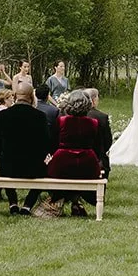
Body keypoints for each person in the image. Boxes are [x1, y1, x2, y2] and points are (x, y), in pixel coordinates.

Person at [0, 81, 52, 214]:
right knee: (45, 171)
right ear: (31, 97)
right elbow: (46, 143)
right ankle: (28, 204)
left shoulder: (3, 115)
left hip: (8, 166)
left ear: (15, 96)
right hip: (33, 167)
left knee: (2, 163)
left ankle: (13, 202)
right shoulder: (40, 117)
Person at [45, 90, 103, 218]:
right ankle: (76, 201)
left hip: (62, 161)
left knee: (56, 170)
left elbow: (53, 143)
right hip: (87, 162)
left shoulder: (61, 121)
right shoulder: (94, 123)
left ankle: (69, 200)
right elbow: (98, 147)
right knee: (80, 172)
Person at [84, 88, 115, 177]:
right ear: (93, 100)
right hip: (97, 157)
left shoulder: (73, 115)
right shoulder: (102, 117)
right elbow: (108, 140)